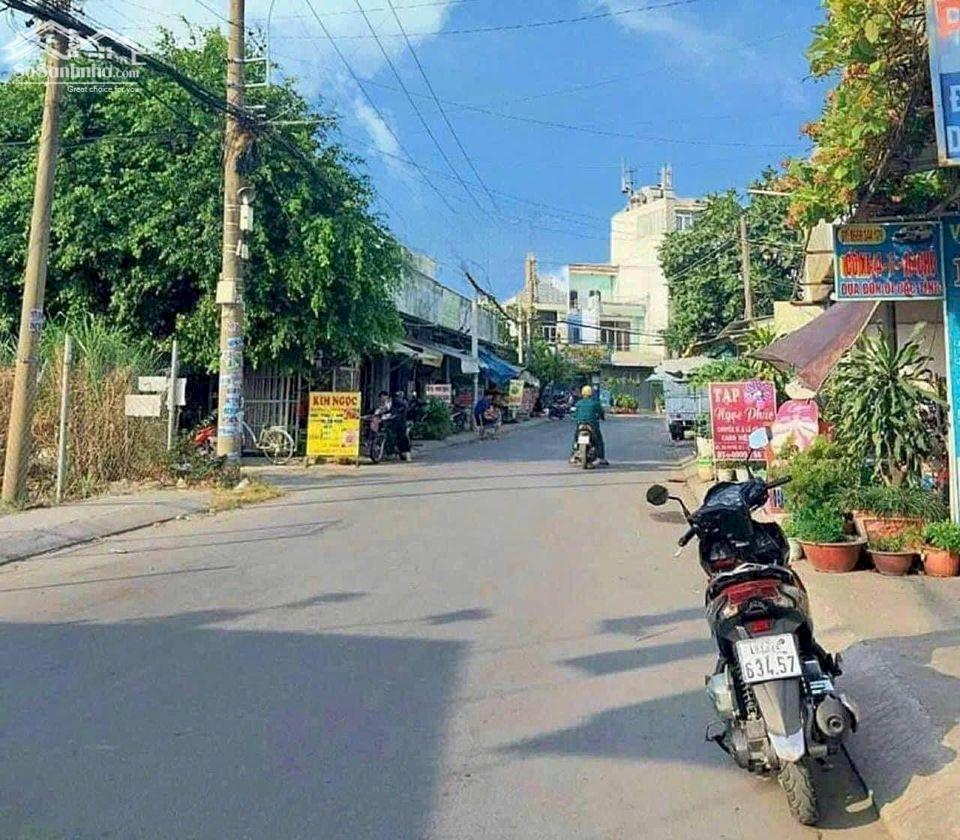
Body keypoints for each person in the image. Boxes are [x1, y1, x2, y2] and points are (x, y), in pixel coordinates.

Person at [571, 384, 608, 465]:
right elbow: (601, 412)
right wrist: (603, 418)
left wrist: (574, 417)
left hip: (580, 424)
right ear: (591, 393)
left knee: (576, 438)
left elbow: (574, 414)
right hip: (592, 424)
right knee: (599, 440)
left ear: (582, 393)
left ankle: (574, 454)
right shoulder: (595, 403)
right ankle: (601, 457)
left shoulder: (578, 403)